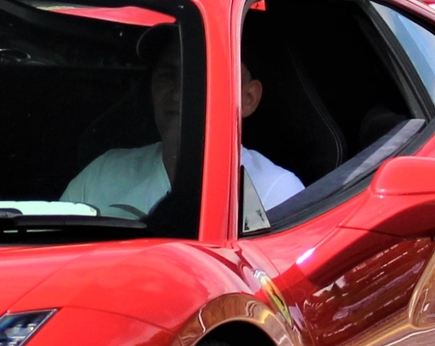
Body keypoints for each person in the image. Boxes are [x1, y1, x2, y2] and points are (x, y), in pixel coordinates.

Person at [63, 27, 303, 220]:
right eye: (168, 76)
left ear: (247, 99)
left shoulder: (275, 192)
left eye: (200, 77)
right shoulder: (103, 174)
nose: (178, 93)